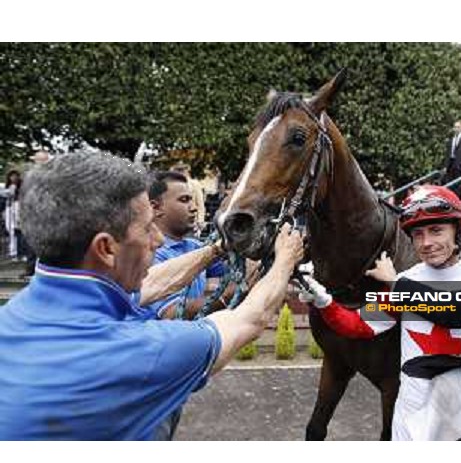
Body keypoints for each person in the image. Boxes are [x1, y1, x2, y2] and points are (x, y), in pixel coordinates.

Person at [0, 151, 304, 440]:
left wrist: (216, 249)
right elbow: (249, 320)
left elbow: (154, 283)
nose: (158, 240)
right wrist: (286, 258)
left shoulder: (15, 315)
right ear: (106, 248)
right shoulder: (146, 350)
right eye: (147, 229)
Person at [298, 185, 461, 440]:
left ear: (457, 231)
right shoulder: (403, 280)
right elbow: (358, 325)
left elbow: (454, 311)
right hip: (410, 419)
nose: (427, 243)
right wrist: (324, 302)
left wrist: (395, 284)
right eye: (417, 234)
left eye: (437, 231)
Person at [147, 170, 225, 319]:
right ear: (156, 208)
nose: (194, 208)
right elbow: (172, 313)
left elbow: (232, 270)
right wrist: (224, 298)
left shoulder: (195, 247)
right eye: (184, 200)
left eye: (192, 200)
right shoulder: (149, 254)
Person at [171, 162, 206, 233]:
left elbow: (200, 204)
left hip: (192, 222)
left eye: (183, 170)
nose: (181, 172)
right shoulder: (173, 184)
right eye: (178, 170)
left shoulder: (194, 184)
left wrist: (200, 221)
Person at [3, 170, 23, 259]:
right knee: (10, 229)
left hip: (17, 206)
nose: (13, 178)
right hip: (9, 208)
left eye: (15, 176)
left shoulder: (21, 186)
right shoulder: (7, 186)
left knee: (18, 229)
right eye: (11, 176)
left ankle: (21, 252)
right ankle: (13, 251)